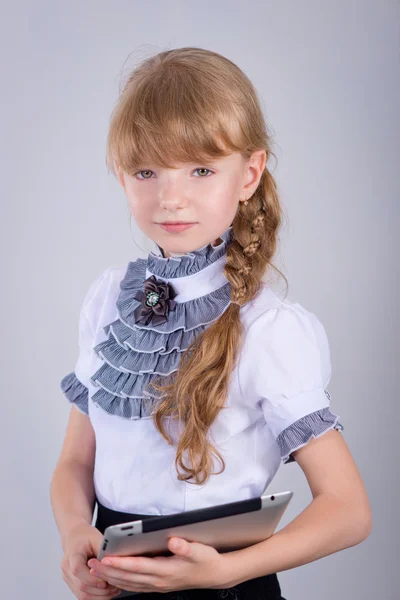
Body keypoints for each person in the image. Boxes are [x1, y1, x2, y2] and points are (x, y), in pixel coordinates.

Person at [50, 47, 372, 600]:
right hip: (116, 581)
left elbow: (348, 511)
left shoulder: (271, 329)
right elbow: (76, 460)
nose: (170, 197)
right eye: (146, 171)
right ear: (121, 176)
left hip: (224, 588)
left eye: (200, 170)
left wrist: (226, 571)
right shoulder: (109, 298)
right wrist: (76, 532)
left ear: (249, 174)